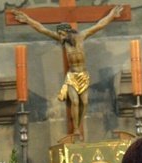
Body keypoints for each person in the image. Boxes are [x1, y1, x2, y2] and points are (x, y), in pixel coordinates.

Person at [11, 5, 123, 136]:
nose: (61, 37)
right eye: (59, 35)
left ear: (68, 32)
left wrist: (111, 16)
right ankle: (76, 129)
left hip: (83, 75)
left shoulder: (81, 37)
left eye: (62, 34)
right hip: (72, 76)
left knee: (85, 103)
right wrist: (28, 20)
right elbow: (42, 29)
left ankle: (79, 124)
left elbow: (99, 25)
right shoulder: (62, 40)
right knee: (75, 102)